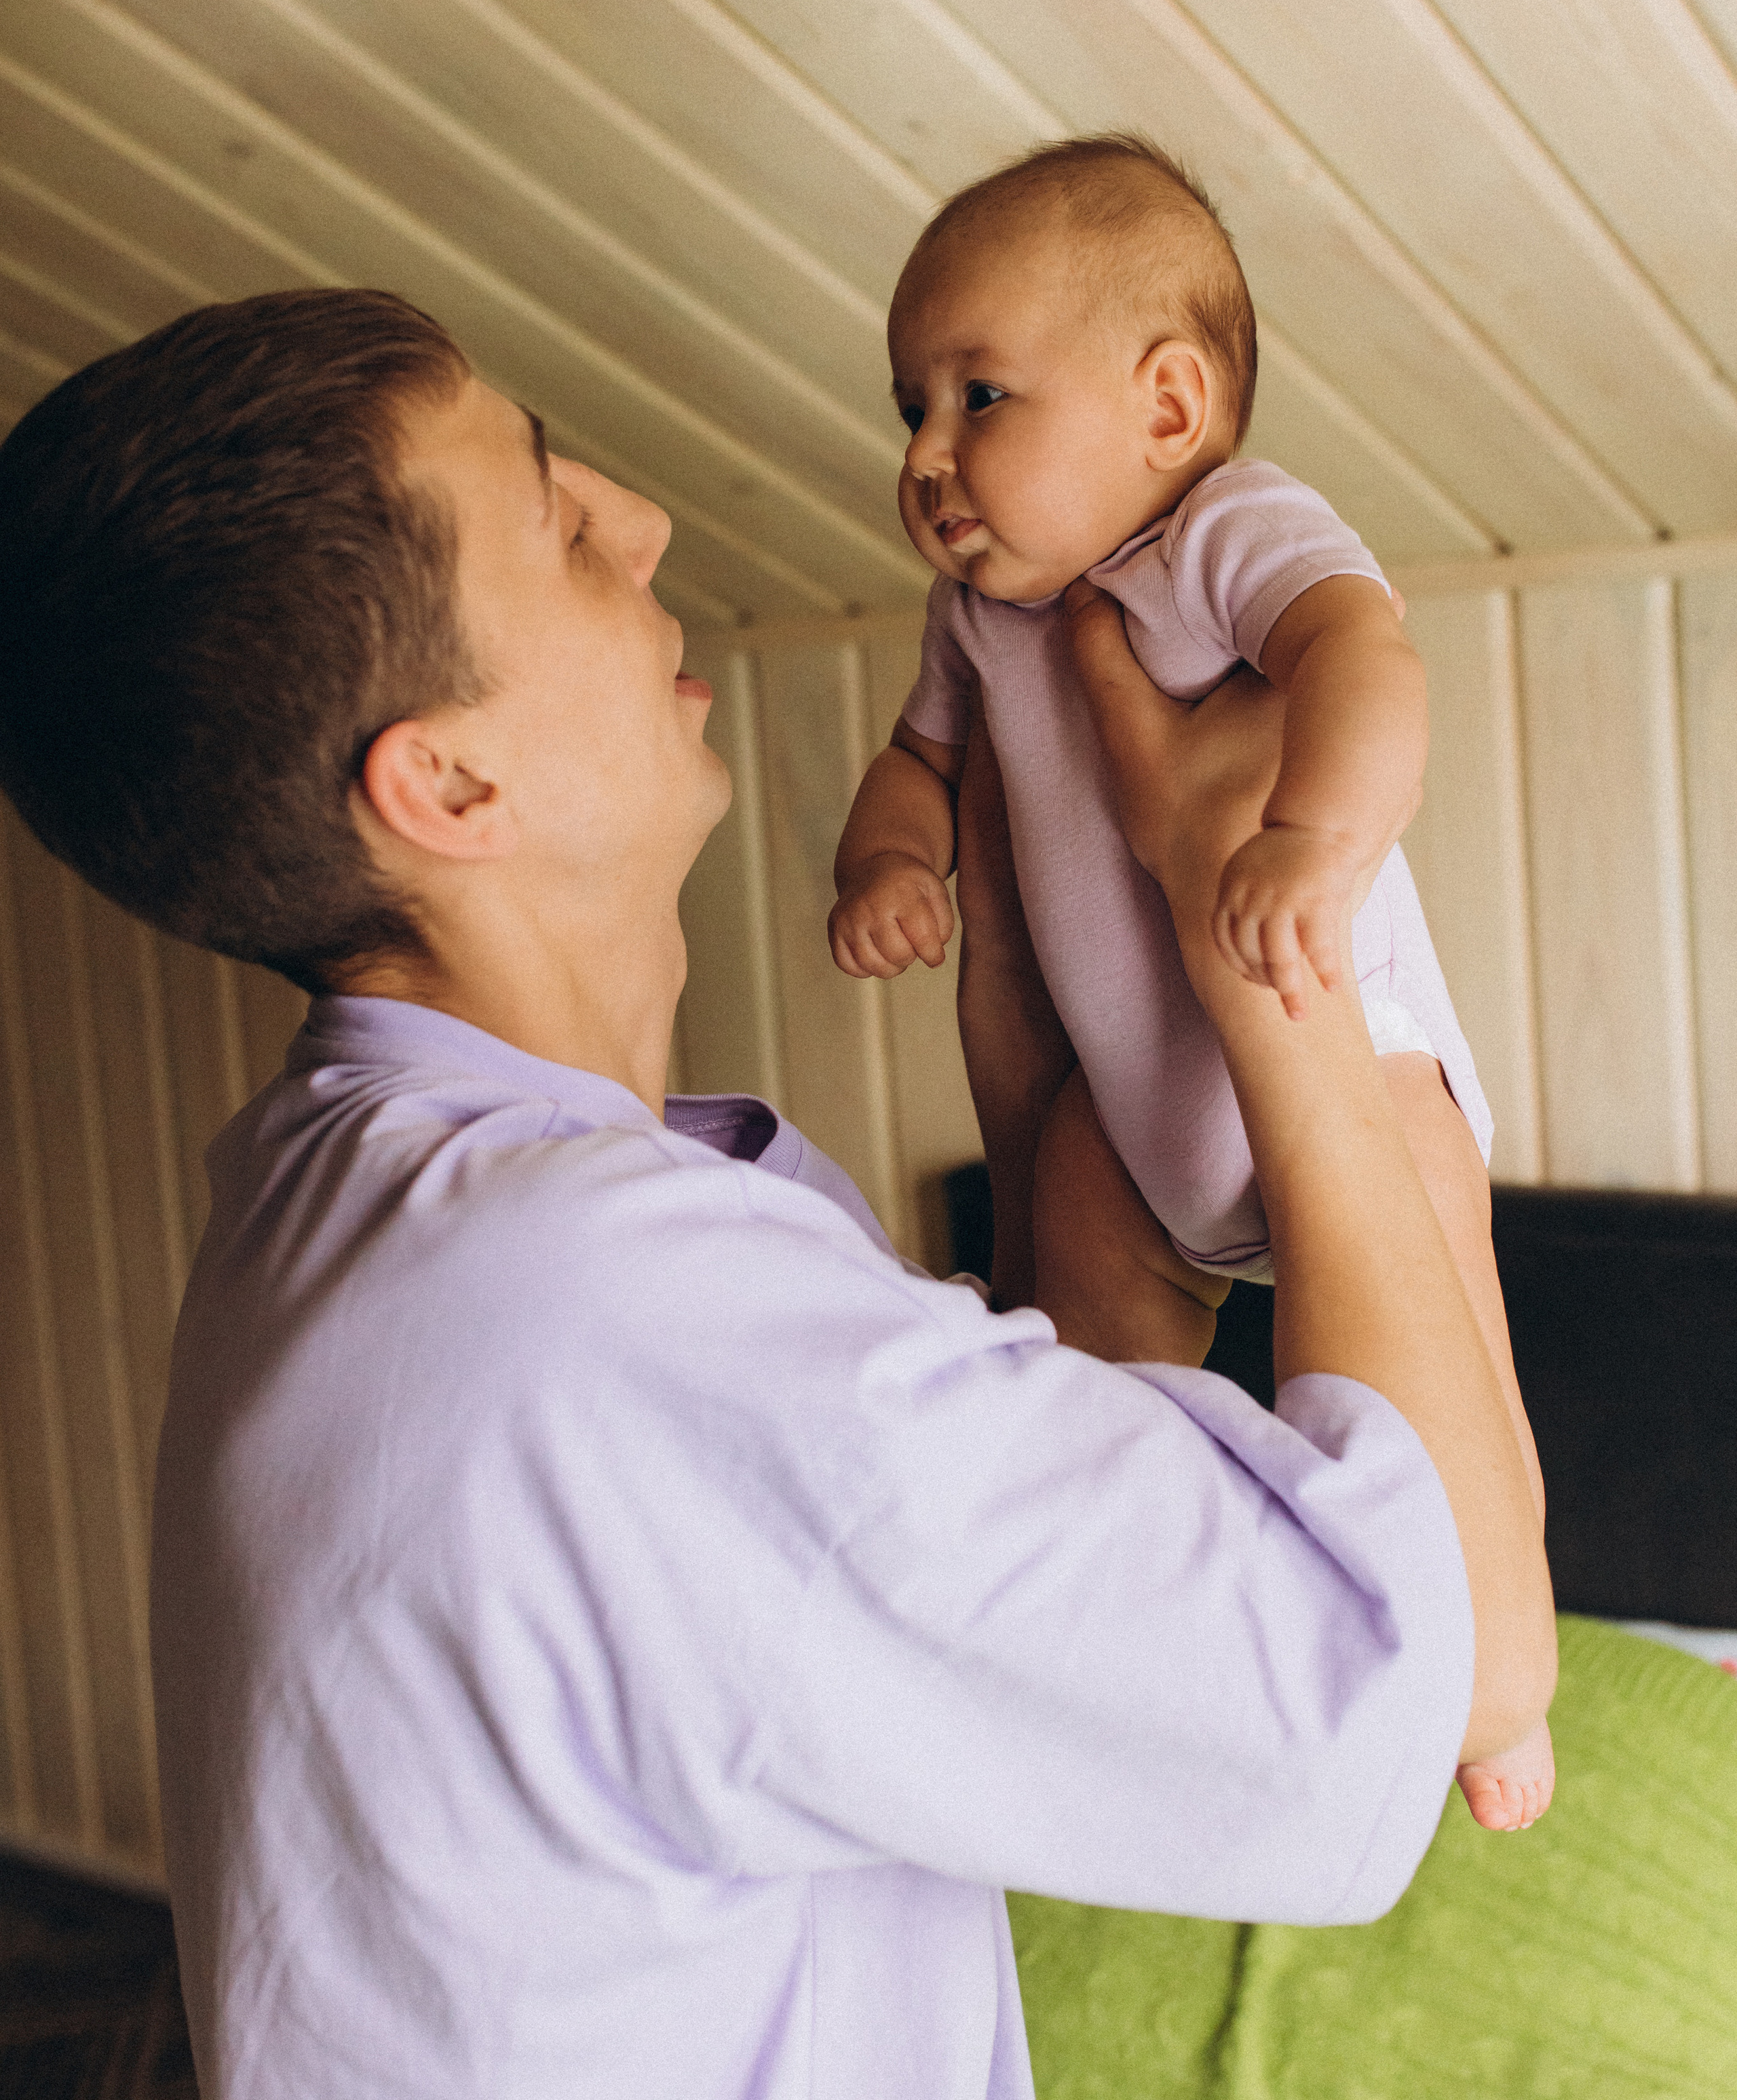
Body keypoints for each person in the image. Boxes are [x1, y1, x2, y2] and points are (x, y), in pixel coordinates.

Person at [0, 290, 1554, 2100]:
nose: (650, 523)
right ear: (446, 781)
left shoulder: (329, 1194)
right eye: (563, 528)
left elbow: (935, 1503)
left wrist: (1050, 1055)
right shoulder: (601, 1315)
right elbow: (1420, 1669)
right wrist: (1261, 948)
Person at [830, 135, 1553, 1832]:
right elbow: (911, 766)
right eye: (908, 407)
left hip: (1353, 1077)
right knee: (1079, 1389)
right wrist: (890, 862)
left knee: (1455, 1384)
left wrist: (1310, 835)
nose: (928, 456)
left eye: (979, 396)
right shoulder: (975, 619)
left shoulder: (1224, 531)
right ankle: (1102, 1646)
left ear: (1167, 405)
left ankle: (1491, 1690)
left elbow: (1364, 659)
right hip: (1127, 1136)